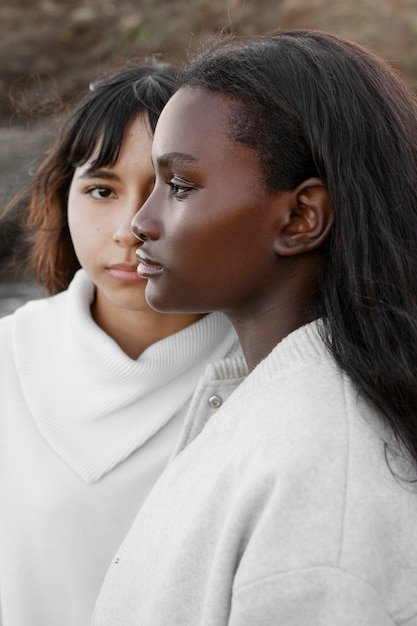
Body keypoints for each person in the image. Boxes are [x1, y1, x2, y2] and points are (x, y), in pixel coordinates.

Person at [93, 30, 417, 624]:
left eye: (180, 186)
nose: (139, 221)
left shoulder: (322, 485)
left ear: (299, 217)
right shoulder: (260, 404)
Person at [0, 58, 243, 626]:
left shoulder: (276, 367)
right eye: (102, 189)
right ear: (63, 195)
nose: (131, 227)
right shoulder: (9, 357)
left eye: (176, 188)